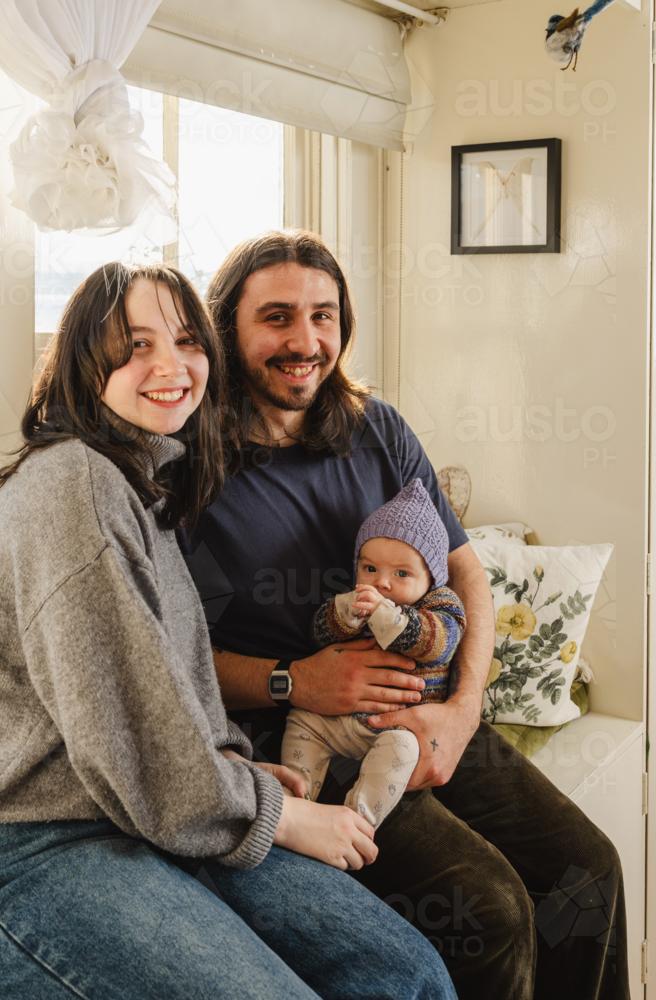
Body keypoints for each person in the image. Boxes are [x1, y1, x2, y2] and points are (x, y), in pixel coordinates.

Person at [0, 262, 457, 1000]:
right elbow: (134, 734)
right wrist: (285, 815)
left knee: (407, 976)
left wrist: (235, 768)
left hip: (141, 813)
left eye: (187, 340)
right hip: (17, 847)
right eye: (134, 346)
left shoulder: (144, 481)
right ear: (83, 365)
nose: (170, 366)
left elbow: (169, 696)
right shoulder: (77, 485)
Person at [180, 229, 629, 1000]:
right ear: (229, 328)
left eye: (324, 316)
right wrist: (298, 681)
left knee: (587, 870)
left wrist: (461, 710)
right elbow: (169, 657)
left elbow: (466, 572)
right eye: (278, 317)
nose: (305, 340)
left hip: (423, 712)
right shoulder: (187, 466)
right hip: (302, 740)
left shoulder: (373, 428)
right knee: (488, 911)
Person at [281, 479, 466, 828]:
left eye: (401, 573)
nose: (381, 582)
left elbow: (439, 644)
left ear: (432, 576)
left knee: (404, 751)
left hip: (396, 727)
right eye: (370, 569)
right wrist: (344, 615)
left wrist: (388, 617)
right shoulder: (360, 599)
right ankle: (296, 793)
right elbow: (319, 631)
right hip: (340, 719)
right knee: (302, 720)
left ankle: (360, 818)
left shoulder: (441, 603)